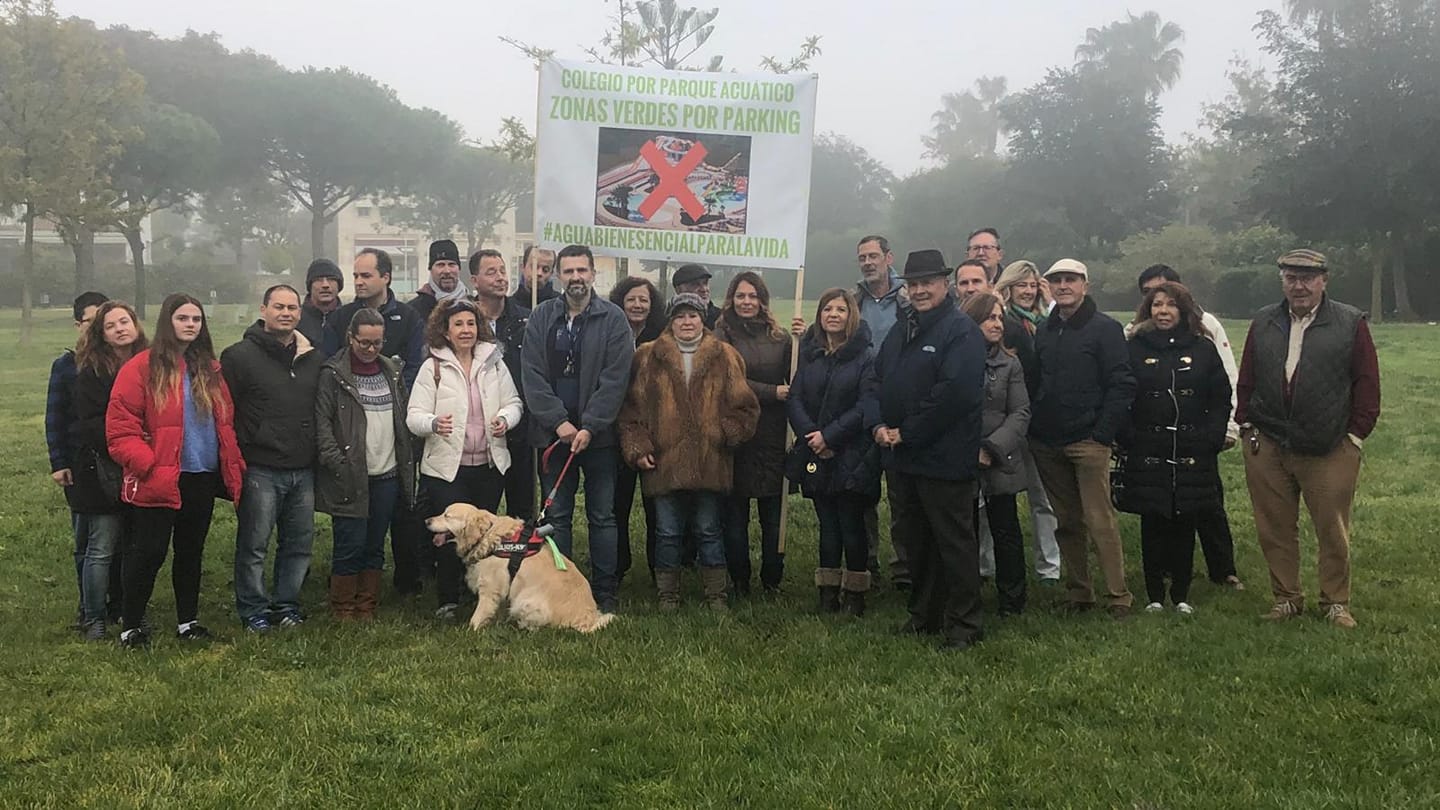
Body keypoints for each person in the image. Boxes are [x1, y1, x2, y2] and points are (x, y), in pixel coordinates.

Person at [1236, 249, 1380, 628]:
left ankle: (1335, 602)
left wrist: (1355, 435)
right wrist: (1246, 422)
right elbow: (1247, 375)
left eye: (1307, 278)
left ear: (1323, 281)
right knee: (1274, 526)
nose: (1298, 286)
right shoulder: (1265, 320)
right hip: (1268, 441)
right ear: (1282, 280)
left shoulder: (1350, 322)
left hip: (1329, 444)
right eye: (1290, 278)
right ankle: (1286, 598)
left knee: (1332, 529)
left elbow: (1367, 383)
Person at [864, 250, 987, 651]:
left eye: (927, 283)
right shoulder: (904, 328)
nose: (919, 290)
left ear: (945, 285)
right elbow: (875, 380)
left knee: (953, 543)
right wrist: (879, 424)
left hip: (946, 457)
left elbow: (955, 394)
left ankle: (965, 625)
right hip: (903, 458)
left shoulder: (961, 331)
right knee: (916, 541)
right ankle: (924, 616)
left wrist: (907, 432)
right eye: (913, 284)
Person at [107, 294, 245, 649]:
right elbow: (121, 428)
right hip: (160, 476)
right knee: (148, 552)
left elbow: (224, 422)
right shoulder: (141, 367)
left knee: (191, 551)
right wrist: (148, 464)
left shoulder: (209, 370)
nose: (190, 325)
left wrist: (229, 465)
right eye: (182, 318)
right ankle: (131, 624)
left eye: (196, 319)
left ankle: (188, 621)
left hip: (201, 475)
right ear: (168, 322)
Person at [619, 293, 759, 611]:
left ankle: (716, 595)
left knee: (709, 529)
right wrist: (638, 447)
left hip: (711, 462)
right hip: (664, 464)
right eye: (680, 316)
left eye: (693, 315)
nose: (687, 322)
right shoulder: (647, 356)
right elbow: (631, 411)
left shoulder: (725, 355)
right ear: (671, 320)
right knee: (667, 531)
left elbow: (745, 407)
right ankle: (668, 595)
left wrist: (727, 433)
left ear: (702, 319)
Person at [520, 244, 634, 613]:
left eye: (582, 271)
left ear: (593, 274)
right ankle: (561, 586)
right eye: (568, 272)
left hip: (597, 439)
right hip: (555, 437)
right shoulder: (541, 317)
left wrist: (590, 426)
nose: (575, 278)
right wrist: (561, 424)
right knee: (557, 517)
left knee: (603, 516)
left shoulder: (613, 319)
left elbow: (616, 378)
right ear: (557, 275)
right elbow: (532, 375)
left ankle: (605, 591)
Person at [1028, 259, 1137, 619]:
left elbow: (1121, 383)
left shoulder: (1105, 329)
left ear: (1085, 285)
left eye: (1070, 280)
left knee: (1099, 518)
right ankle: (1080, 592)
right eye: (1056, 280)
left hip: (1088, 441)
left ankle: (1118, 595)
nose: (1063, 286)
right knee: (1067, 520)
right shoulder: (1045, 328)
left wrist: (1102, 433)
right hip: (1047, 440)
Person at [1117, 282, 1231, 615]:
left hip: (1192, 447)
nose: (1163, 311)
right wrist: (1128, 436)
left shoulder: (1203, 348)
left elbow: (1220, 397)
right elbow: (1122, 393)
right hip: (1147, 447)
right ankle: (1154, 593)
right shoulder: (1134, 347)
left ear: (1183, 310)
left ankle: (1181, 593)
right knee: (1152, 520)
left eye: (1170, 305)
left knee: (1185, 518)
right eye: (1156, 305)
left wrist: (1211, 437)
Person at [408, 298, 523, 620]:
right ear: (444, 330)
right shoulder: (432, 367)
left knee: (482, 537)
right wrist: (433, 423)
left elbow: (514, 402)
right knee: (449, 536)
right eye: (458, 324)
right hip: (447, 470)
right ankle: (448, 598)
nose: (465, 330)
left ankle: (483, 593)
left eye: (471, 323)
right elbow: (413, 415)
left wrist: (505, 418)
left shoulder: (494, 364)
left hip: (489, 466)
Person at [1132, 264, 1244, 590]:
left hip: (1197, 437)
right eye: (1151, 295)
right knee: (1161, 505)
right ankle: (1167, 568)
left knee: (1208, 505)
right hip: (1156, 439)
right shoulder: (1138, 334)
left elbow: (1226, 380)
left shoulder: (1207, 328)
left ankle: (1222, 568)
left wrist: (1226, 429)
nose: (1161, 306)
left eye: (1167, 295)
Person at [221, 284, 324, 632]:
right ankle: (254, 610)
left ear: (300, 313)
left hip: (302, 467)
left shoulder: (312, 357)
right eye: (278, 306)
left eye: (292, 308)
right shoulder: (238, 357)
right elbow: (225, 412)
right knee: (254, 545)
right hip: (260, 468)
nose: (286, 313)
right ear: (263, 310)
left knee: (298, 545)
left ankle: (286, 605)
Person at [328, 248, 428, 595]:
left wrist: (402, 401)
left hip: (395, 429)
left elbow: (415, 366)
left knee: (400, 512)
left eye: (365, 275)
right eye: (355, 275)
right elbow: (330, 369)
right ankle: (344, 590)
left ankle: (403, 581)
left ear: (386, 277)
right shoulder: (341, 318)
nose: (358, 281)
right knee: (352, 523)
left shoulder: (409, 317)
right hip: (352, 435)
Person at [315, 308, 416, 620]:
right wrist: (340, 465)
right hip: (350, 475)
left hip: (386, 474)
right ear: (350, 338)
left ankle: (366, 604)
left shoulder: (392, 372)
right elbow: (323, 427)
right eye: (364, 343)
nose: (371, 350)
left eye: (377, 343)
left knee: (374, 544)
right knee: (349, 543)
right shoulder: (333, 375)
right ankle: (342, 607)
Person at [789, 289, 880, 615]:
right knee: (827, 525)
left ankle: (855, 594)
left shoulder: (865, 358)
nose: (833, 314)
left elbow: (865, 405)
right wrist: (811, 436)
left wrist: (830, 436)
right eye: (828, 308)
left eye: (841, 309)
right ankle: (827, 592)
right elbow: (795, 398)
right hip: (816, 452)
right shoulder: (810, 355)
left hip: (852, 454)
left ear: (850, 315)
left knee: (851, 525)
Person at [69, 300, 148, 640]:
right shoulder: (90, 371)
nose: (120, 328)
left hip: (144, 467)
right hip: (102, 470)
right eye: (111, 325)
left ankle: (128, 609)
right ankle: (94, 615)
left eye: (125, 321)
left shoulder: (151, 364)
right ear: (100, 334)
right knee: (101, 547)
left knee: (134, 545)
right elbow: (88, 424)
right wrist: (127, 446)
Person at [714, 271, 791, 597]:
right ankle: (740, 578)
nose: (747, 302)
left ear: (762, 300)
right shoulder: (720, 336)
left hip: (773, 434)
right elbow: (725, 382)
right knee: (735, 516)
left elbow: (795, 374)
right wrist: (772, 392)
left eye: (753, 296)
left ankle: (772, 578)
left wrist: (804, 338)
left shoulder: (781, 337)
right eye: (741, 296)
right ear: (732, 299)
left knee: (774, 514)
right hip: (737, 433)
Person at [961, 292, 1032, 616]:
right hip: (961, 458)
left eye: (1000, 317)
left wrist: (992, 447)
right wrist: (967, 449)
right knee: (964, 531)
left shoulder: (1010, 363)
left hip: (999, 459)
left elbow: (1020, 411)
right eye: (990, 317)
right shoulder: (955, 359)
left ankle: (1013, 600)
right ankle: (964, 593)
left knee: (1006, 530)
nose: (997, 324)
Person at [994, 260, 1061, 584]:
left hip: (1038, 421)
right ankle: (986, 564)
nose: (1028, 291)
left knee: (1042, 498)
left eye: (1033, 285)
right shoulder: (1000, 322)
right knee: (992, 498)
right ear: (1008, 287)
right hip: (1003, 421)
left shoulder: (1048, 321)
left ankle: (1050, 566)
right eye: (1022, 285)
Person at [46, 290, 108, 629]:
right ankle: (89, 609)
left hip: (115, 462)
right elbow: (54, 416)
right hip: (78, 463)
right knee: (87, 539)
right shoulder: (66, 366)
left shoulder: (120, 362)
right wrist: (59, 462)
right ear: (77, 325)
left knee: (113, 538)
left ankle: (112, 603)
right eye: (92, 321)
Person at [854, 234, 911, 588]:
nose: (868, 262)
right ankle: (867, 562)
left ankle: (904, 566)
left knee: (902, 493)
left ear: (889, 258)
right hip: (862, 399)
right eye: (862, 257)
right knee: (862, 489)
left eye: (874, 256)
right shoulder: (854, 298)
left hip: (901, 400)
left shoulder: (908, 299)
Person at [471, 248, 535, 522]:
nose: (500, 278)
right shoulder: (463, 319)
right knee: (479, 507)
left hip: (520, 426)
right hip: (477, 427)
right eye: (491, 272)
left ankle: (519, 560)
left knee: (522, 508)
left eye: (502, 271)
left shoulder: (527, 319)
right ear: (474, 280)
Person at [609, 276, 666, 580]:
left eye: (643, 299)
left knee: (656, 507)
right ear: (621, 301)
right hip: (615, 429)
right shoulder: (610, 333)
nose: (637, 305)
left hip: (654, 431)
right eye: (631, 299)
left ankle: (660, 568)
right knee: (617, 504)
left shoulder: (662, 336)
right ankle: (617, 565)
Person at [410, 239, 467, 324]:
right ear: (430, 269)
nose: (447, 271)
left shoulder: (471, 305)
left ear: (459, 268)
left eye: (452, 264)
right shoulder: (413, 311)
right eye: (440, 265)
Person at [298, 259, 344, 349]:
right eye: (318, 280)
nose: (325, 285)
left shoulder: (348, 318)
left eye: (331, 279)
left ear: (339, 285)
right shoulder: (296, 318)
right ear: (310, 286)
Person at [671, 263, 723, 329]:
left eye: (705, 283)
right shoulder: (665, 318)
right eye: (695, 284)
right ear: (678, 290)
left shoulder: (722, 319)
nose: (704, 289)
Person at [510, 245, 559, 310]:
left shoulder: (560, 306)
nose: (539, 273)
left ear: (551, 273)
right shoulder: (508, 307)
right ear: (523, 267)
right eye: (534, 267)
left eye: (545, 269)